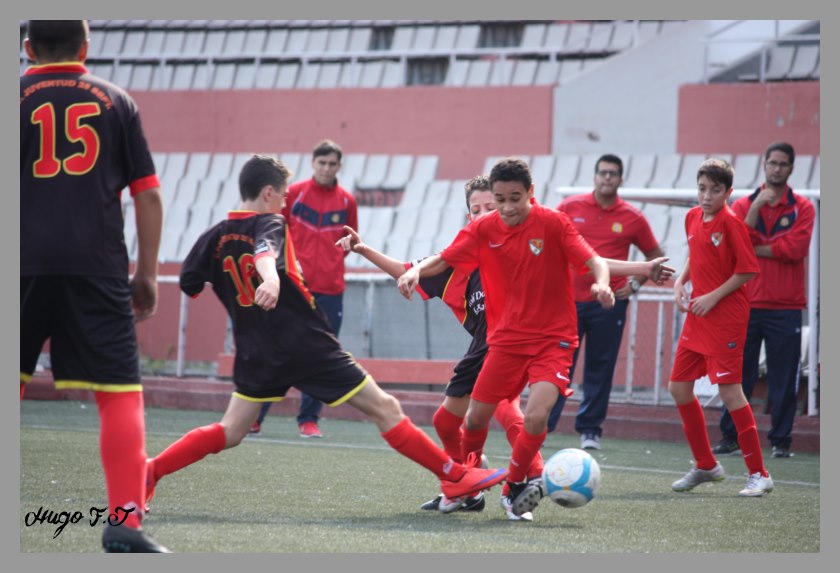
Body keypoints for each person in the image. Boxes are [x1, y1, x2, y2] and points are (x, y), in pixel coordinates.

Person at [144, 155, 508, 515]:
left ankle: (151, 470)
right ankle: (453, 476)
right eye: (284, 194)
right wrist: (270, 278)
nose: (286, 202)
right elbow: (265, 254)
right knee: (386, 409)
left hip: (255, 350)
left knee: (231, 430)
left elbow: (190, 283)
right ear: (269, 192)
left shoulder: (214, 237)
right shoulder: (270, 222)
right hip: (305, 342)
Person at [396, 158, 674, 517]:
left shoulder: (554, 223)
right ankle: (467, 484)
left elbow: (594, 261)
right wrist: (415, 272)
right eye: (500, 199)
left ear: (531, 193)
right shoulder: (484, 229)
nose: (507, 207)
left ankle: (514, 488)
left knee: (536, 417)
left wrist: (603, 285)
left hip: (553, 339)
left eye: (515, 198)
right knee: (475, 420)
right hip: (506, 341)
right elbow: (444, 258)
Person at [20, 20, 168, 552]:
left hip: (18, 265)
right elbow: (148, 196)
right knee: (119, 394)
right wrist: (146, 275)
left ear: (27, 48)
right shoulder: (116, 101)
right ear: (86, 47)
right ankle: (125, 526)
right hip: (97, 266)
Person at [336, 175, 544, 520]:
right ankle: (470, 482)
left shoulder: (516, 245)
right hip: (482, 347)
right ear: (468, 218)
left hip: (510, 341)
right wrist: (363, 249)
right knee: (447, 423)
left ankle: (527, 479)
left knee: (506, 409)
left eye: (491, 207)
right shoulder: (455, 258)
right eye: (476, 209)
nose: (483, 214)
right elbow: (408, 270)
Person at [668, 158, 773, 497]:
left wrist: (711, 296)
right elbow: (694, 253)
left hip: (726, 317)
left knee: (730, 393)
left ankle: (760, 474)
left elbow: (746, 271)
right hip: (698, 315)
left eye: (715, 190)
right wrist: (680, 282)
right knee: (679, 387)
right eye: (702, 188)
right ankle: (706, 465)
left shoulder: (732, 223)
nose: (706, 196)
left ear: (728, 192)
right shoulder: (692, 217)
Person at [547, 154, 664, 450]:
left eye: (613, 174)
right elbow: (549, 242)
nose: (607, 178)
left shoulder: (633, 218)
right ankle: (542, 426)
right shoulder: (570, 207)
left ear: (620, 179)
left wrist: (635, 284)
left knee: (600, 366)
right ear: (595, 176)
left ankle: (590, 431)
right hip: (565, 303)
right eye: (602, 173)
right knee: (558, 364)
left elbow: (655, 256)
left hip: (608, 304)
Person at [712, 142, 816, 459]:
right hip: (746, 305)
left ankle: (781, 441)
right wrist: (756, 211)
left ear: (791, 169)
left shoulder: (804, 207)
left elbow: (794, 250)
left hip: (785, 307)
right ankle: (731, 437)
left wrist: (755, 248)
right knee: (737, 375)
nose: (776, 169)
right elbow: (736, 245)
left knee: (784, 378)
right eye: (772, 163)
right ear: (764, 165)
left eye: (783, 164)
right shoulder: (743, 205)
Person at [250, 140, 358, 438]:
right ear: (313, 163)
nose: (326, 168)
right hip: (293, 287)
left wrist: (328, 262)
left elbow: (348, 243)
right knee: (276, 350)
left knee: (321, 355)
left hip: (331, 291)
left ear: (339, 166)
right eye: (321, 163)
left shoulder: (347, 201)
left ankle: (308, 420)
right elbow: (273, 233)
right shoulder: (294, 194)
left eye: (332, 164)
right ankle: (255, 417)